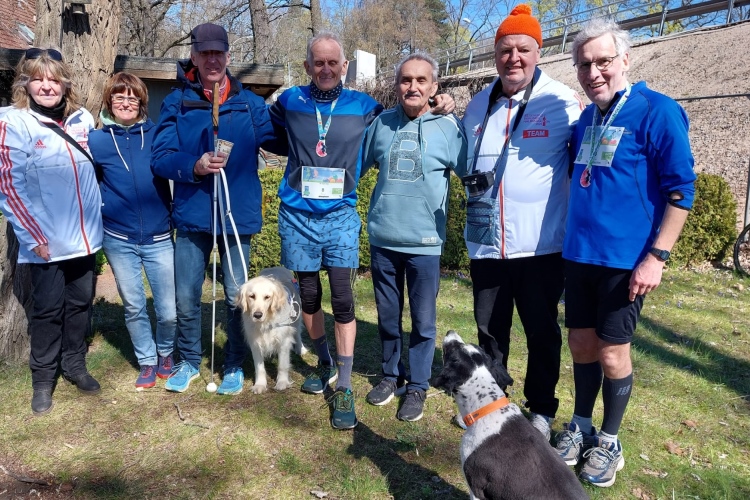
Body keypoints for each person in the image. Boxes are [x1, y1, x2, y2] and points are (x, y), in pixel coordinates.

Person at [265, 32, 454, 430]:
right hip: (297, 215)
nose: (326, 69)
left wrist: (442, 102)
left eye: (333, 62)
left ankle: (346, 384)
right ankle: (324, 362)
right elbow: (266, 130)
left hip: (340, 216)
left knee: (343, 298)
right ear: (307, 66)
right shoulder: (289, 100)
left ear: (345, 66)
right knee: (309, 297)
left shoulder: (367, 107)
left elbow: (405, 113)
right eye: (319, 62)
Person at [555, 18, 696, 487]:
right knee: (581, 344)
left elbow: (681, 192)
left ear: (625, 60)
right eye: (584, 64)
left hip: (626, 262)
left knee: (613, 352)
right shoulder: (586, 120)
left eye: (603, 61)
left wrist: (657, 257)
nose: (593, 72)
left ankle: (610, 441)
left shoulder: (658, 111)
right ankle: (581, 425)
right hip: (579, 255)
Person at [460, 4, 583, 438]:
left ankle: (542, 408)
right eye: (505, 50)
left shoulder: (561, 100)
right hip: (487, 244)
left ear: (538, 52)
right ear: (495, 55)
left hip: (541, 246)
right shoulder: (478, 105)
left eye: (523, 49)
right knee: (490, 332)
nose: (513, 58)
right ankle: (494, 400)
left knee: (541, 332)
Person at [152, 23, 275, 394]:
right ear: (193, 56)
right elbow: (161, 156)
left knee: (239, 294)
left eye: (217, 53)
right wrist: (194, 165)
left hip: (237, 217)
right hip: (192, 214)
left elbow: (281, 139)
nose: (211, 60)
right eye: (204, 53)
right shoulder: (177, 101)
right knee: (186, 295)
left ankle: (234, 364)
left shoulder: (250, 103)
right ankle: (190, 360)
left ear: (227, 56)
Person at [361, 53, 467, 422]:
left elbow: (471, 174)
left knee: (423, 322)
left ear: (434, 86)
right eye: (406, 79)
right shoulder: (381, 125)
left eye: (422, 80)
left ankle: (419, 385)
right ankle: (391, 376)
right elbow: (353, 168)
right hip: (384, 240)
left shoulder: (448, 128)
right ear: (396, 85)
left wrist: (455, 116)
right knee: (388, 317)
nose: (413, 87)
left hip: (425, 244)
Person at [0, 48, 102, 415]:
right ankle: (43, 379)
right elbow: (9, 186)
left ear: (64, 84)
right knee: (47, 310)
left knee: (80, 304)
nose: (46, 86)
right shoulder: (14, 122)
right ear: (25, 83)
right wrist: (34, 237)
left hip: (86, 238)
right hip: (45, 241)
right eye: (38, 79)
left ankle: (74, 364)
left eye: (53, 79)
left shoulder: (82, 119)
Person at [89, 72, 176, 390]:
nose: (125, 102)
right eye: (119, 97)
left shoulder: (157, 135)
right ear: (109, 101)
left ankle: (166, 353)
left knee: (168, 310)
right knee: (135, 306)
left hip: (159, 237)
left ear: (141, 102)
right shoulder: (96, 141)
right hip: (118, 238)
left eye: (132, 97)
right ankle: (147, 360)